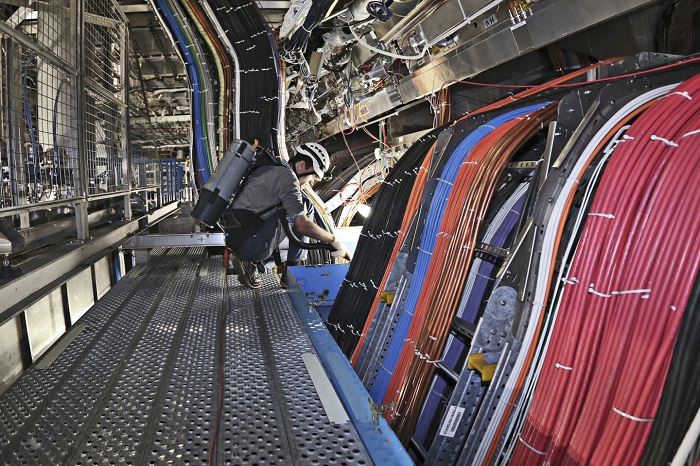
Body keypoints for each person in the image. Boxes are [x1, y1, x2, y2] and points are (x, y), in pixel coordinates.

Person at [221, 142, 351, 289]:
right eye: (313, 175)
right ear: (301, 166)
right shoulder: (288, 178)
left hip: (239, 235)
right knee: (304, 208)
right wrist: (333, 240)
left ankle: (253, 262)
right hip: (249, 242)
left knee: (296, 209)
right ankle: (289, 275)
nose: (312, 182)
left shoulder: (275, 167)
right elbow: (302, 225)